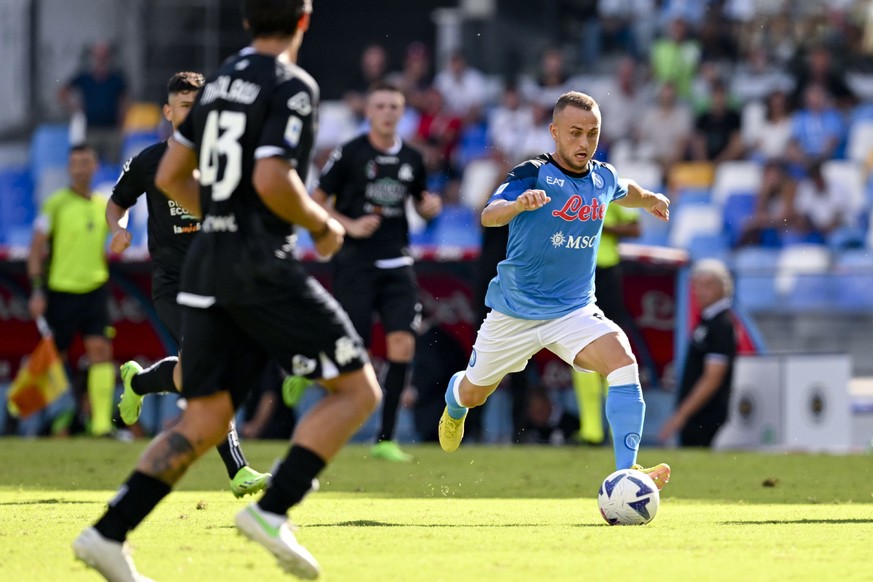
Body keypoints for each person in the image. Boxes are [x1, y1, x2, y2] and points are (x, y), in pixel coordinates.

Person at [73, 2, 382, 580]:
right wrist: (321, 224)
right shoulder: (291, 85)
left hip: (207, 266)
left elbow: (169, 177)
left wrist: (220, 217)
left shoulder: (222, 85)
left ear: (246, 22)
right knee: (358, 391)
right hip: (260, 262)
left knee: (206, 416)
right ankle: (272, 510)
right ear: (304, 21)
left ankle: (107, 532)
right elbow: (272, 177)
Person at [437, 91, 671, 490]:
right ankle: (455, 404)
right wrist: (518, 206)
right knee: (476, 393)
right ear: (554, 133)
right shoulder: (531, 174)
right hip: (515, 313)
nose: (584, 143)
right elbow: (488, 215)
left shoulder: (603, 177)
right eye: (575, 133)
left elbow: (624, 188)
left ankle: (626, 472)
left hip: (573, 311)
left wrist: (650, 199)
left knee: (622, 361)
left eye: (592, 134)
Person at [104, 71, 270, 498]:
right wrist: (117, 229)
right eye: (183, 108)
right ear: (167, 112)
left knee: (194, 371)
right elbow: (117, 203)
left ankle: (138, 382)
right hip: (174, 284)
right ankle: (238, 471)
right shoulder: (149, 161)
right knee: (208, 372)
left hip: (218, 282)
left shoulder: (224, 161)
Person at [311, 81, 442, 462]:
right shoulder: (350, 153)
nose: (387, 112)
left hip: (397, 262)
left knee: (403, 344)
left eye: (394, 107)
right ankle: (311, 374)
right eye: (380, 106)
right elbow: (315, 201)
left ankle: (385, 438)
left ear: (402, 113)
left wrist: (429, 207)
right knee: (356, 352)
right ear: (369, 112)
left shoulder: (413, 158)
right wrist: (348, 225)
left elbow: (420, 202)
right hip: (355, 263)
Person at [27, 143, 115, 437]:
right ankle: (49, 420)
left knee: (101, 351)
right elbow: (37, 249)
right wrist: (38, 290)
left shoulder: (104, 205)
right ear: (68, 168)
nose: (80, 168)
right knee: (54, 357)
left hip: (95, 288)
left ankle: (101, 426)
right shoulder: (55, 204)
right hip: (61, 290)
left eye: (85, 163)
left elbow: (115, 240)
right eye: (75, 163)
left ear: (95, 167)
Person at [571, 202, 640, 446]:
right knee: (580, 348)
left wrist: (601, 227)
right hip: (577, 272)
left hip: (606, 272)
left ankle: (616, 432)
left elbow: (635, 228)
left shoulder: (612, 187)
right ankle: (591, 431)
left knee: (610, 348)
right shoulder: (566, 186)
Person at [658, 259, 736, 447]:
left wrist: (681, 415)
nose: (700, 291)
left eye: (708, 285)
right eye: (697, 285)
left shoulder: (722, 325)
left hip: (706, 411)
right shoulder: (707, 320)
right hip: (697, 411)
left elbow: (713, 377)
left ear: (724, 287)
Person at [58, 41, 129, 164]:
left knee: (114, 165)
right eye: (98, 56)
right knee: (91, 165)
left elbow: (124, 100)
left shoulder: (116, 78)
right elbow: (63, 92)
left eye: (104, 56)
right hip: (91, 130)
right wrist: (75, 107)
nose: (101, 60)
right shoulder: (85, 78)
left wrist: (122, 119)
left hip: (111, 130)